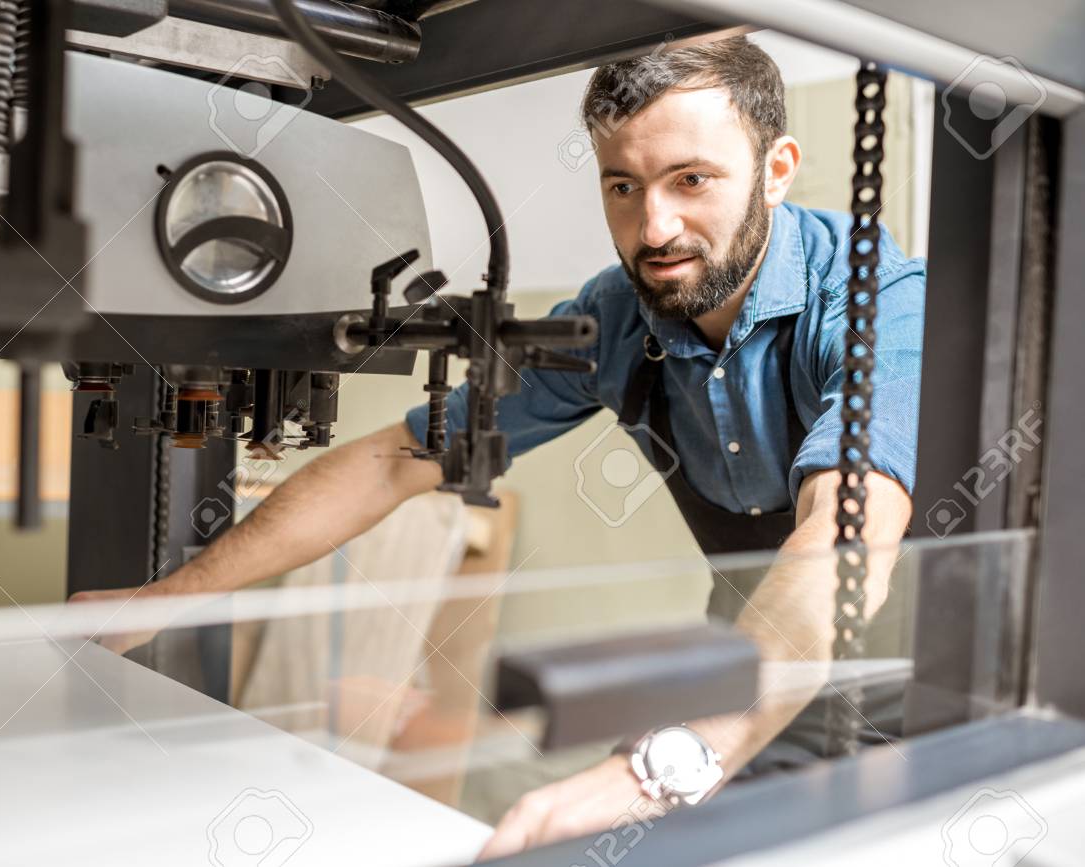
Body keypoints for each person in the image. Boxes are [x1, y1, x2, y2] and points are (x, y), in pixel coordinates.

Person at [72, 35, 925, 860]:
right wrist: (165, 598)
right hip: (743, 670)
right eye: (622, 185)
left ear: (777, 170)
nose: (654, 227)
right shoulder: (618, 319)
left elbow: (844, 540)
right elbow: (391, 464)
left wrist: (655, 771)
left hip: (929, 685)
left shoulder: (874, 304)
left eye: (692, 180)